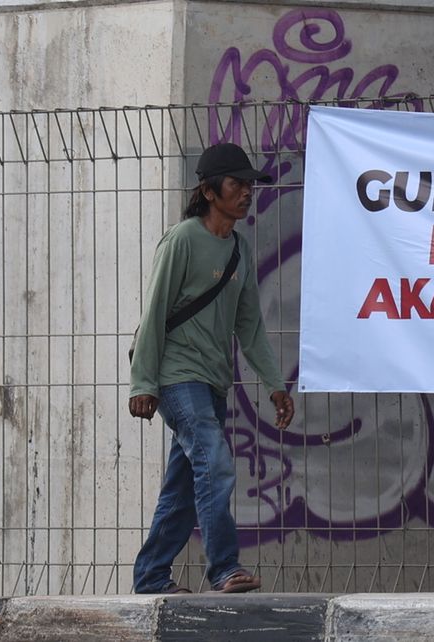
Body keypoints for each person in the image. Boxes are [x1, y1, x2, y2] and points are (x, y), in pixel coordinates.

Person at [128, 142, 294, 594]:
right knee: (216, 463)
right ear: (208, 190)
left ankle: (151, 577)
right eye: (236, 184)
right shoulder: (183, 239)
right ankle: (224, 567)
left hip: (213, 382)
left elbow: (251, 327)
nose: (246, 192)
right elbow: (155, 311)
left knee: (183, 487)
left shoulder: (237, 248)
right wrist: (143, 382)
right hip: (178, 377)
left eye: (249, 185)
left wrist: (276, 386)